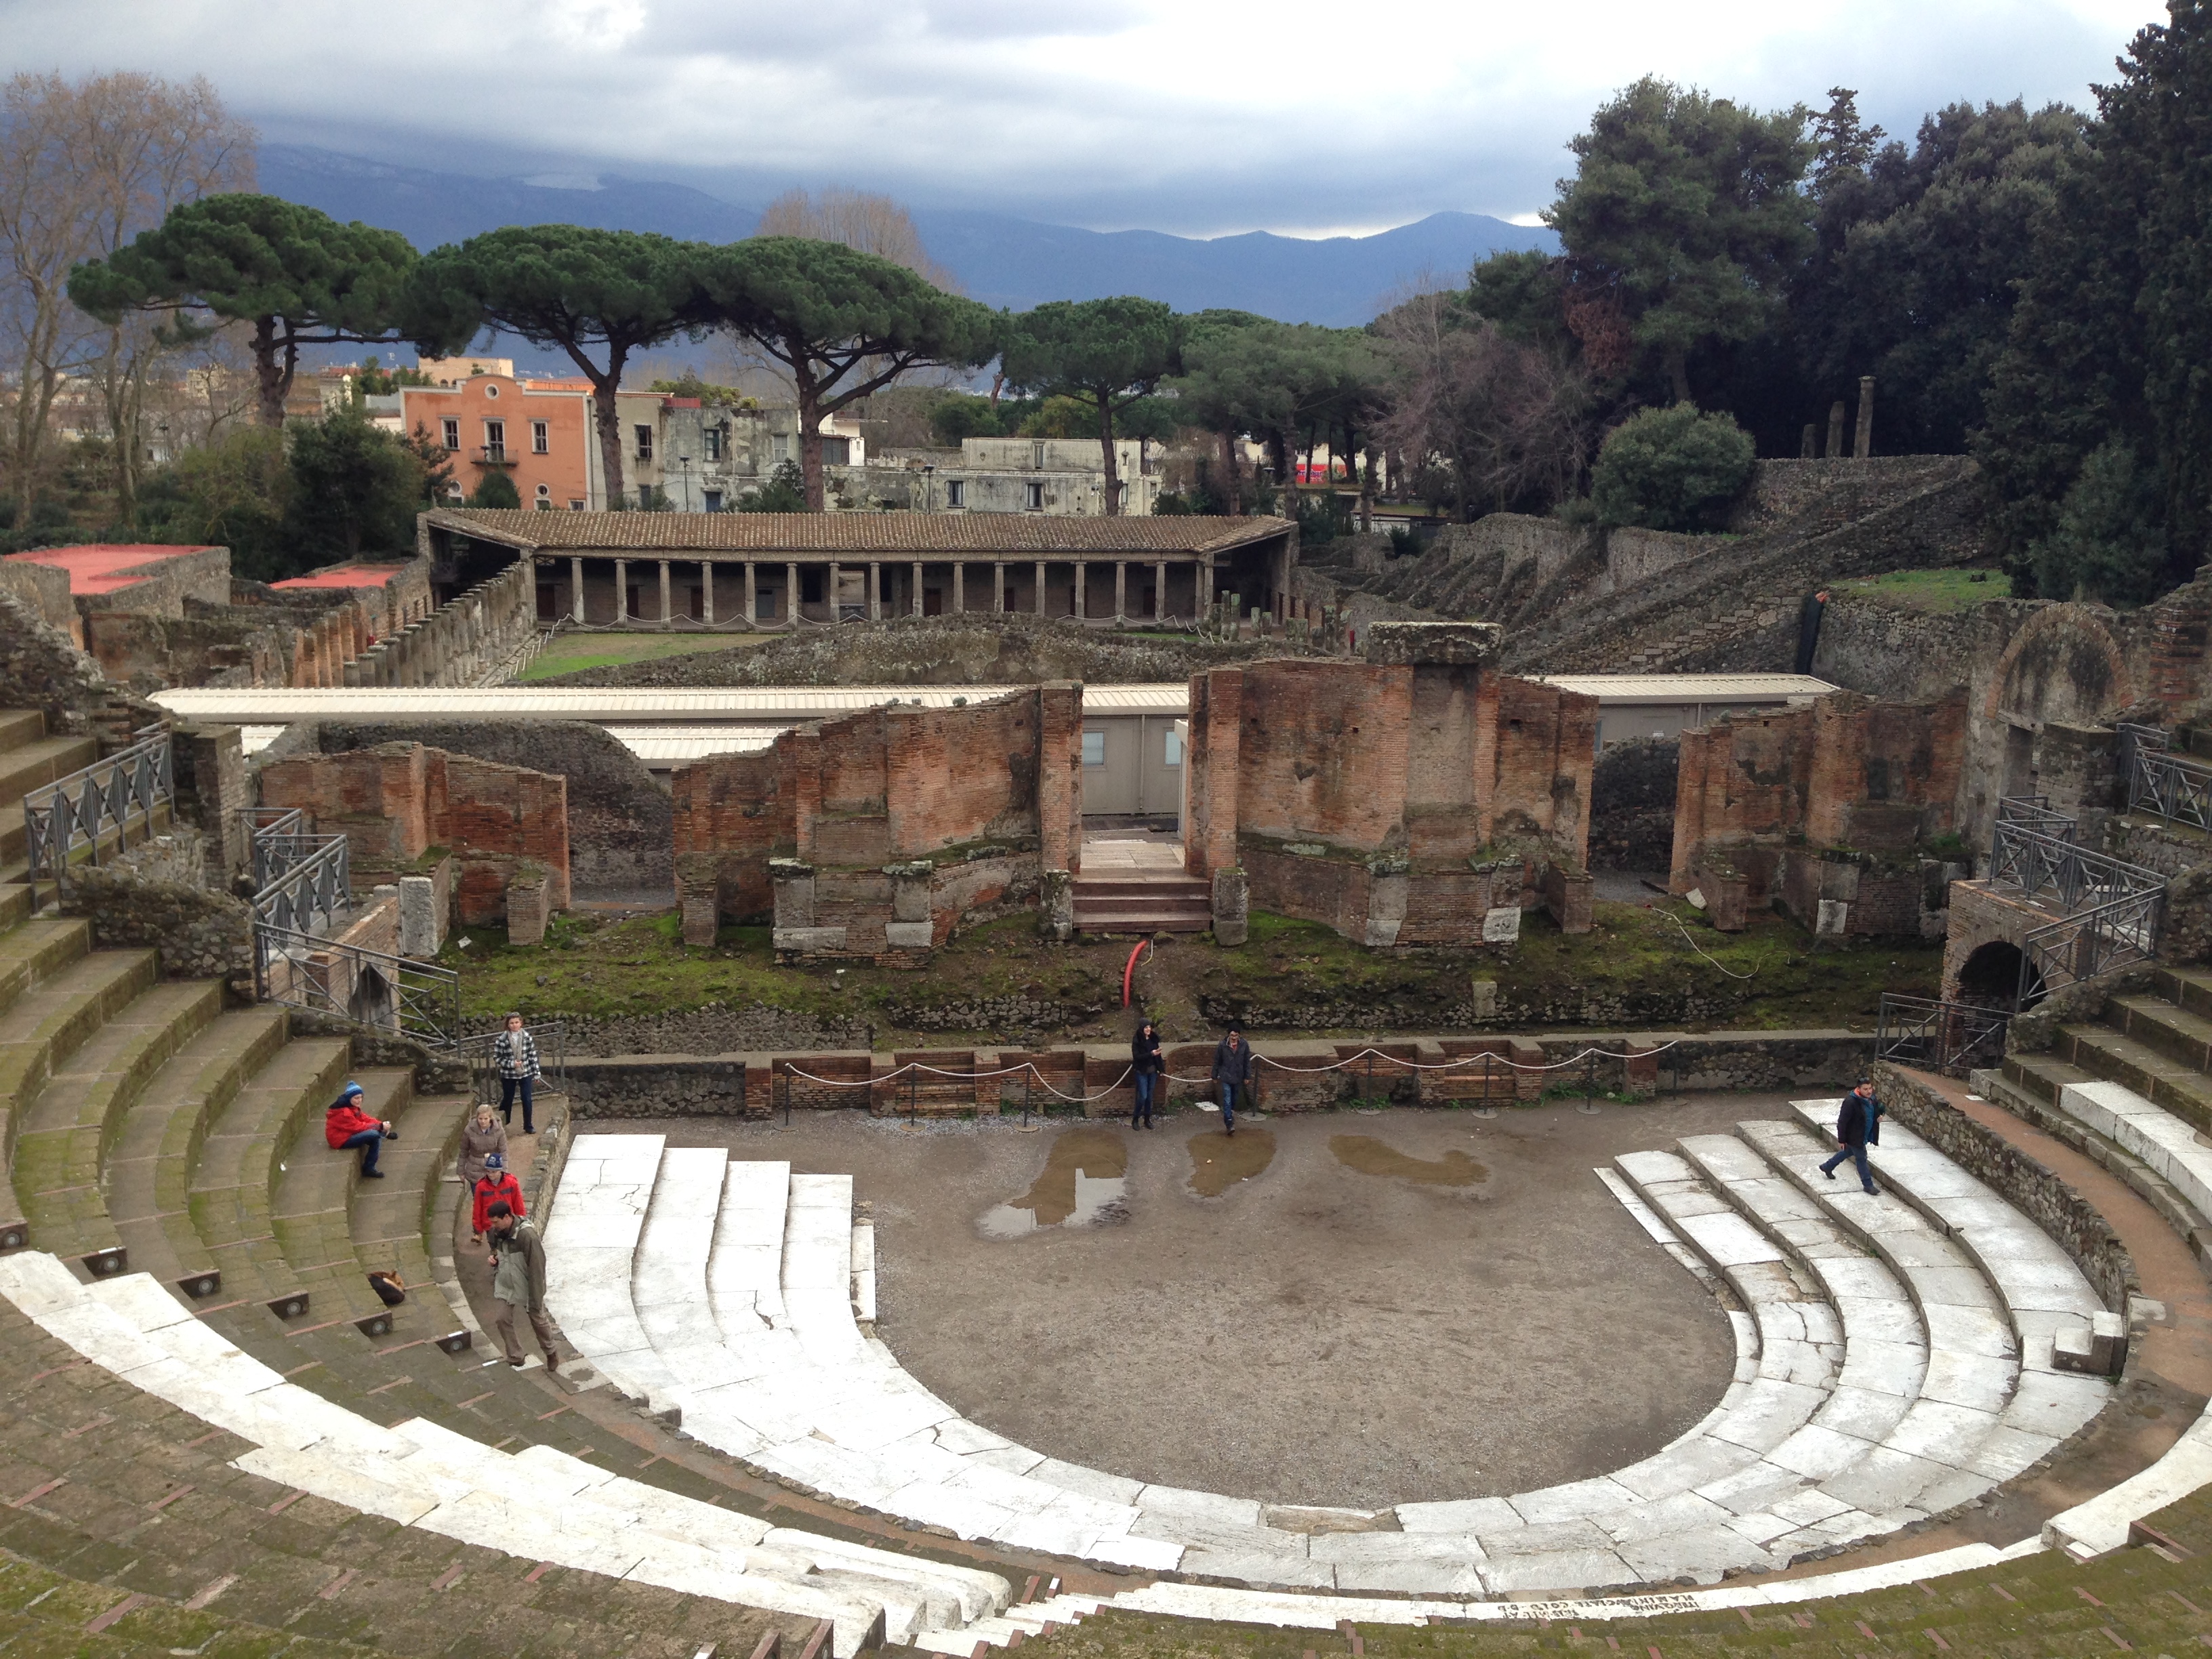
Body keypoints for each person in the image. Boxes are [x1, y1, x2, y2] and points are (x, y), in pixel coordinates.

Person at [485, 1200, 558, 1372]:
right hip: (506, 1282)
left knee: (538, 1319)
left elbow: (537, 1268)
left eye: (496, 1222)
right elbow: (496, 1251)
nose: (493, 1226)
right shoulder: (496, 1232)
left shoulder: (527, 1236)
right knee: (502, 1319)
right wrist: (494, 1259)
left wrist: (536, 1296)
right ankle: (516, 1356)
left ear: (507, 1217)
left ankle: (551, 1352)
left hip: (526, 1283)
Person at [1820, 1079, 1884, 1195]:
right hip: (1855, 1137)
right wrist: (1842, 1139)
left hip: (1864, 1134)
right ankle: (1868, 1185)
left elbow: (1878, 1109)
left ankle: (1827, 1166)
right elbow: (1842, 1122)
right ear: (1858, 1089)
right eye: (1866, 1089)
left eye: (1870, 1088)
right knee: (1862, 1158)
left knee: (1848, 1152)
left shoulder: (1872, 1099)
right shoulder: (1850, 1102)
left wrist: (1880, 1115)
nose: (1869, 1091)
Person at [324, 1081, 396, 1179]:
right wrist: (380, 1127)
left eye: (361, 1097)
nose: (359, 1100)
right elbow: (357, 1127)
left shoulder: (352, 1107)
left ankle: (369, 1168)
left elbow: (366, 1119)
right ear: (349, 1098)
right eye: (356, 1098)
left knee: (375, 1136)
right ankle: (369, 1167)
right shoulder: (343, 1112)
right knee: (374, 1134)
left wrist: (381, 1124)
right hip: (340, 1140)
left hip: (348, 1134)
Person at [492, 1012, 541, 1135]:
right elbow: (497, 1058)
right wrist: (511, 1064)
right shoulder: (502, 1039)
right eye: (512, 1023)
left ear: (521, 1023)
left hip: (525, 1072)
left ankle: (528, 1125)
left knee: (527, 1099)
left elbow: (532, 1056)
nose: (514, 1025)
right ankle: (503, 1122)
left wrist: (537, 1073)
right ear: (508, 1025)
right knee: (508, 1098)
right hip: (508, 1074)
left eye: (517, 1022)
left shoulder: (527, 1037)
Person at [470, 1152, 526, 1245]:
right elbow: (477, 1208)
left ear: (500, 1170)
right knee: (495, 1251)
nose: (490, 1175)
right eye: (488, 1171)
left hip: (508, 1223)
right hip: (490, 1225)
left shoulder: (512, 1183)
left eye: (494, 1172)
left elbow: (518, 1203)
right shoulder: (481, 1186)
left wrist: (521, 1221)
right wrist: (478, 1229)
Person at [1211, 1025, 1254, 1136]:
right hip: (1226, 1076)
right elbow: (1217, 1061)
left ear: (1239, 1035)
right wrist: (1214, 1076)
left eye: (1236, 1035)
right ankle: (1229, 1123)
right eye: (1232, 1035)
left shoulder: (1244, 1045)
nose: (1234, 1038)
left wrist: (1247, 1076)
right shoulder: (1222, 1046)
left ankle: (1229, 1113)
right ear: (1228, 1035)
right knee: (1227, 1100)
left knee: (1233, 1099)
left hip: (1238, 1077)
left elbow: (1247, 1062)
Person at [458, 1102, 508, 1193]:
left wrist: (504, 1171)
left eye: (486, 1118)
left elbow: (503, 1152)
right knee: (478, 1201)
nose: (483, 1121)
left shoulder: (499, 1131)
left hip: (493, 1169)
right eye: (480, 1118)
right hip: (475, 1170)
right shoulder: (469, 1130)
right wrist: (461, 1171)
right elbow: (463, 1151)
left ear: (490, 1118)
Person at [1130, 1020, 1164, 1130]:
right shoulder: (1137, 1041)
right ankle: (1135, 1118)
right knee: (1143, 1096)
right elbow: (1137, 1057)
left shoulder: (1153, 1039)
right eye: (1146, 1027)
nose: (1148, 1029)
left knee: (1149, 1097)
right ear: (1141, 1029)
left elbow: (1158, 1057)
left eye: (1149, 1027)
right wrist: (1151, 1054)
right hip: (1142, 1072)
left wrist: (1161, 1070)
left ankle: (1147, 1119)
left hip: (1152, 1072)